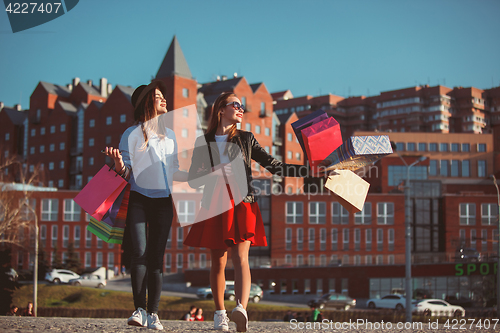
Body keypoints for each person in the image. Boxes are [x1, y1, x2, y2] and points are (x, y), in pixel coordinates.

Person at [184, 92, 313, 332]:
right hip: (214, 202)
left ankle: (241, 309)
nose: (241, 109)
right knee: (218, 262)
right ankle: (220, 314)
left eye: (242, 106)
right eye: (236, 105)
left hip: (242, 201)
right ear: (221, 109)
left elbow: (275, 166)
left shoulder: (246, 138)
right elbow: (192, 179)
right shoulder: (204, 140)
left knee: (241, 257)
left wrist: (311, 171)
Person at [105, 80, 188, 331]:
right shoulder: (130, 135)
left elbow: (174, 173)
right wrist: (118, 164)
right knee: (139, 253)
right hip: (139, 200)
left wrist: (200, 172)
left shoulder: (170, 136)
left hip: (164, 202)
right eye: (159, 96)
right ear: (146, 102)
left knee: (156, 258)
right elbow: (126, 174)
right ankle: (139, 310)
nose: (164, 100)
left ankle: (154, 314)